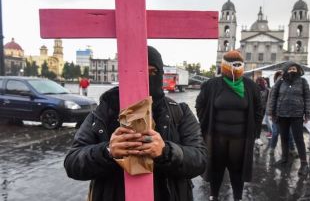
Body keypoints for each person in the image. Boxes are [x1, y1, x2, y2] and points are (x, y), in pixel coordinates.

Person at [64, 46, 207, 201]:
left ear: (160, 74)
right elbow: (73, 163)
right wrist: (107, 151)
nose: (145, 79)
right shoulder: (104, 111)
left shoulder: (179, 112)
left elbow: (200, 159)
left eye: (152, 72)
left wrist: (166, 152)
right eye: (138, 72)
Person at [196, 50, 263, 201]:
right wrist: (205, 123)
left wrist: (255, 131)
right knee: (216, 168)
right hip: (216, 137)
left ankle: (237, 197)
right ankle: (213, 195)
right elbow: (200, 104)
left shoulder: (251, 86)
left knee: (236, 170)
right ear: (224, 66)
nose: (236, 68)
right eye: (232, 65)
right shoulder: (211, 85)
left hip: (240, 139)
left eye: (239, 64)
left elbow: (259, 109)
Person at [268, 61, 310, 176]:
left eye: (294, 69)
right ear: (286, 70)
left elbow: (307, 98)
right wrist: (271, 112)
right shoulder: (280, 81)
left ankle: (304, 164)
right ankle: (284, 159)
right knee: (284, 138)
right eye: (290, 68)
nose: (292, 70)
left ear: (298, 70)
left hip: (297, 114)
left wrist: (307, 113)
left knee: (299, 139)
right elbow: (273, 96)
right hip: (282, 114)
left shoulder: (303, 82)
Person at [255, 77, 270, 146]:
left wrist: (266, 109)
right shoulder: (254, 89)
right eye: (257, 81)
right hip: (255, 109)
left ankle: (257, 137)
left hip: (262, 109)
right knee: (255, 123)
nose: (258, 83)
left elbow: (267, 101)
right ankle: (255, 137)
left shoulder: (266, 90)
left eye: (259, 81)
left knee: (259, 123)